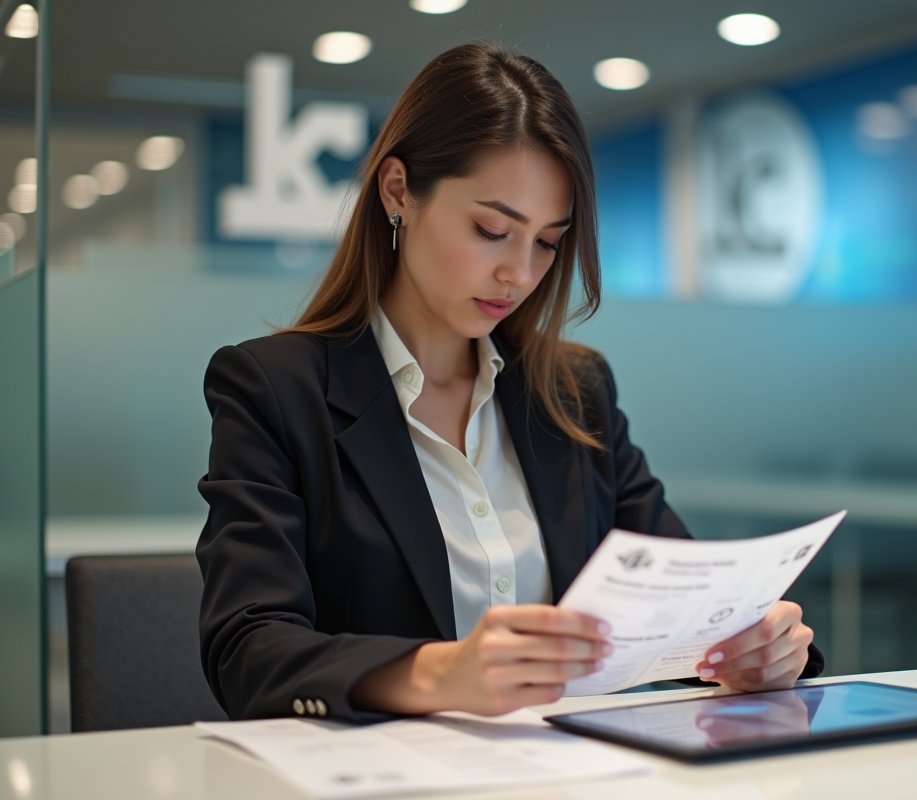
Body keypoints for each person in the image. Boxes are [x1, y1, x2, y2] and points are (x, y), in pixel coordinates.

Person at [197, 42, 823, 723]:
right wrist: (439, 672)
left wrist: (760, 645)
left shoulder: (574, 392)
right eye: (492, 229)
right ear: (398, 190)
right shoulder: (276, 389)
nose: (520, 274)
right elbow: (247, 648)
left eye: (548, 241)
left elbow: (691, 599)